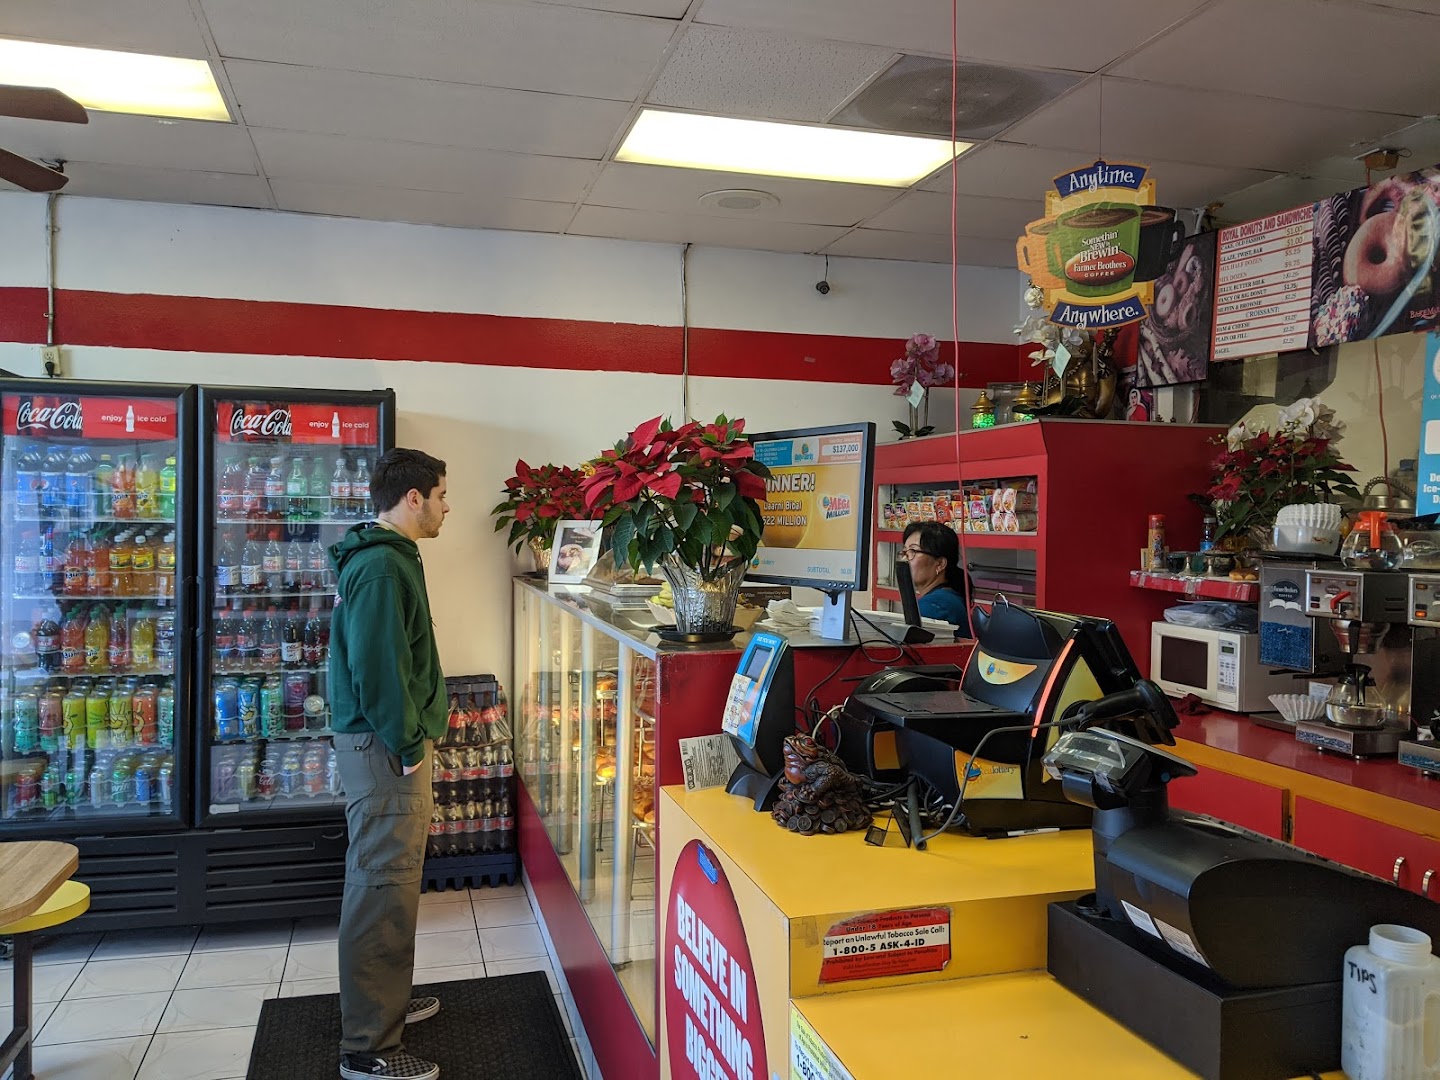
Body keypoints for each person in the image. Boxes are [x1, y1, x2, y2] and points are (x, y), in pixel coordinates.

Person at [329, 448, 450, 1080]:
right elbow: (378, 670)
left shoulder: (390, 555)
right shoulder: (380, 566)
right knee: (382, 886)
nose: (447, 507)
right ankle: (368, 1045)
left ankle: (385, 1003)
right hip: (383, 748)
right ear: (414, 497)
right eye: (441, 495)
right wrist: (407, 744)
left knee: (391, 881)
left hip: (385, 743)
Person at [900, 521, 973, 637]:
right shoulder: (945, 598)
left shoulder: (935, 605)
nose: (905, 559)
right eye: (904, 552)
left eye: (913, 551)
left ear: (940, 564)